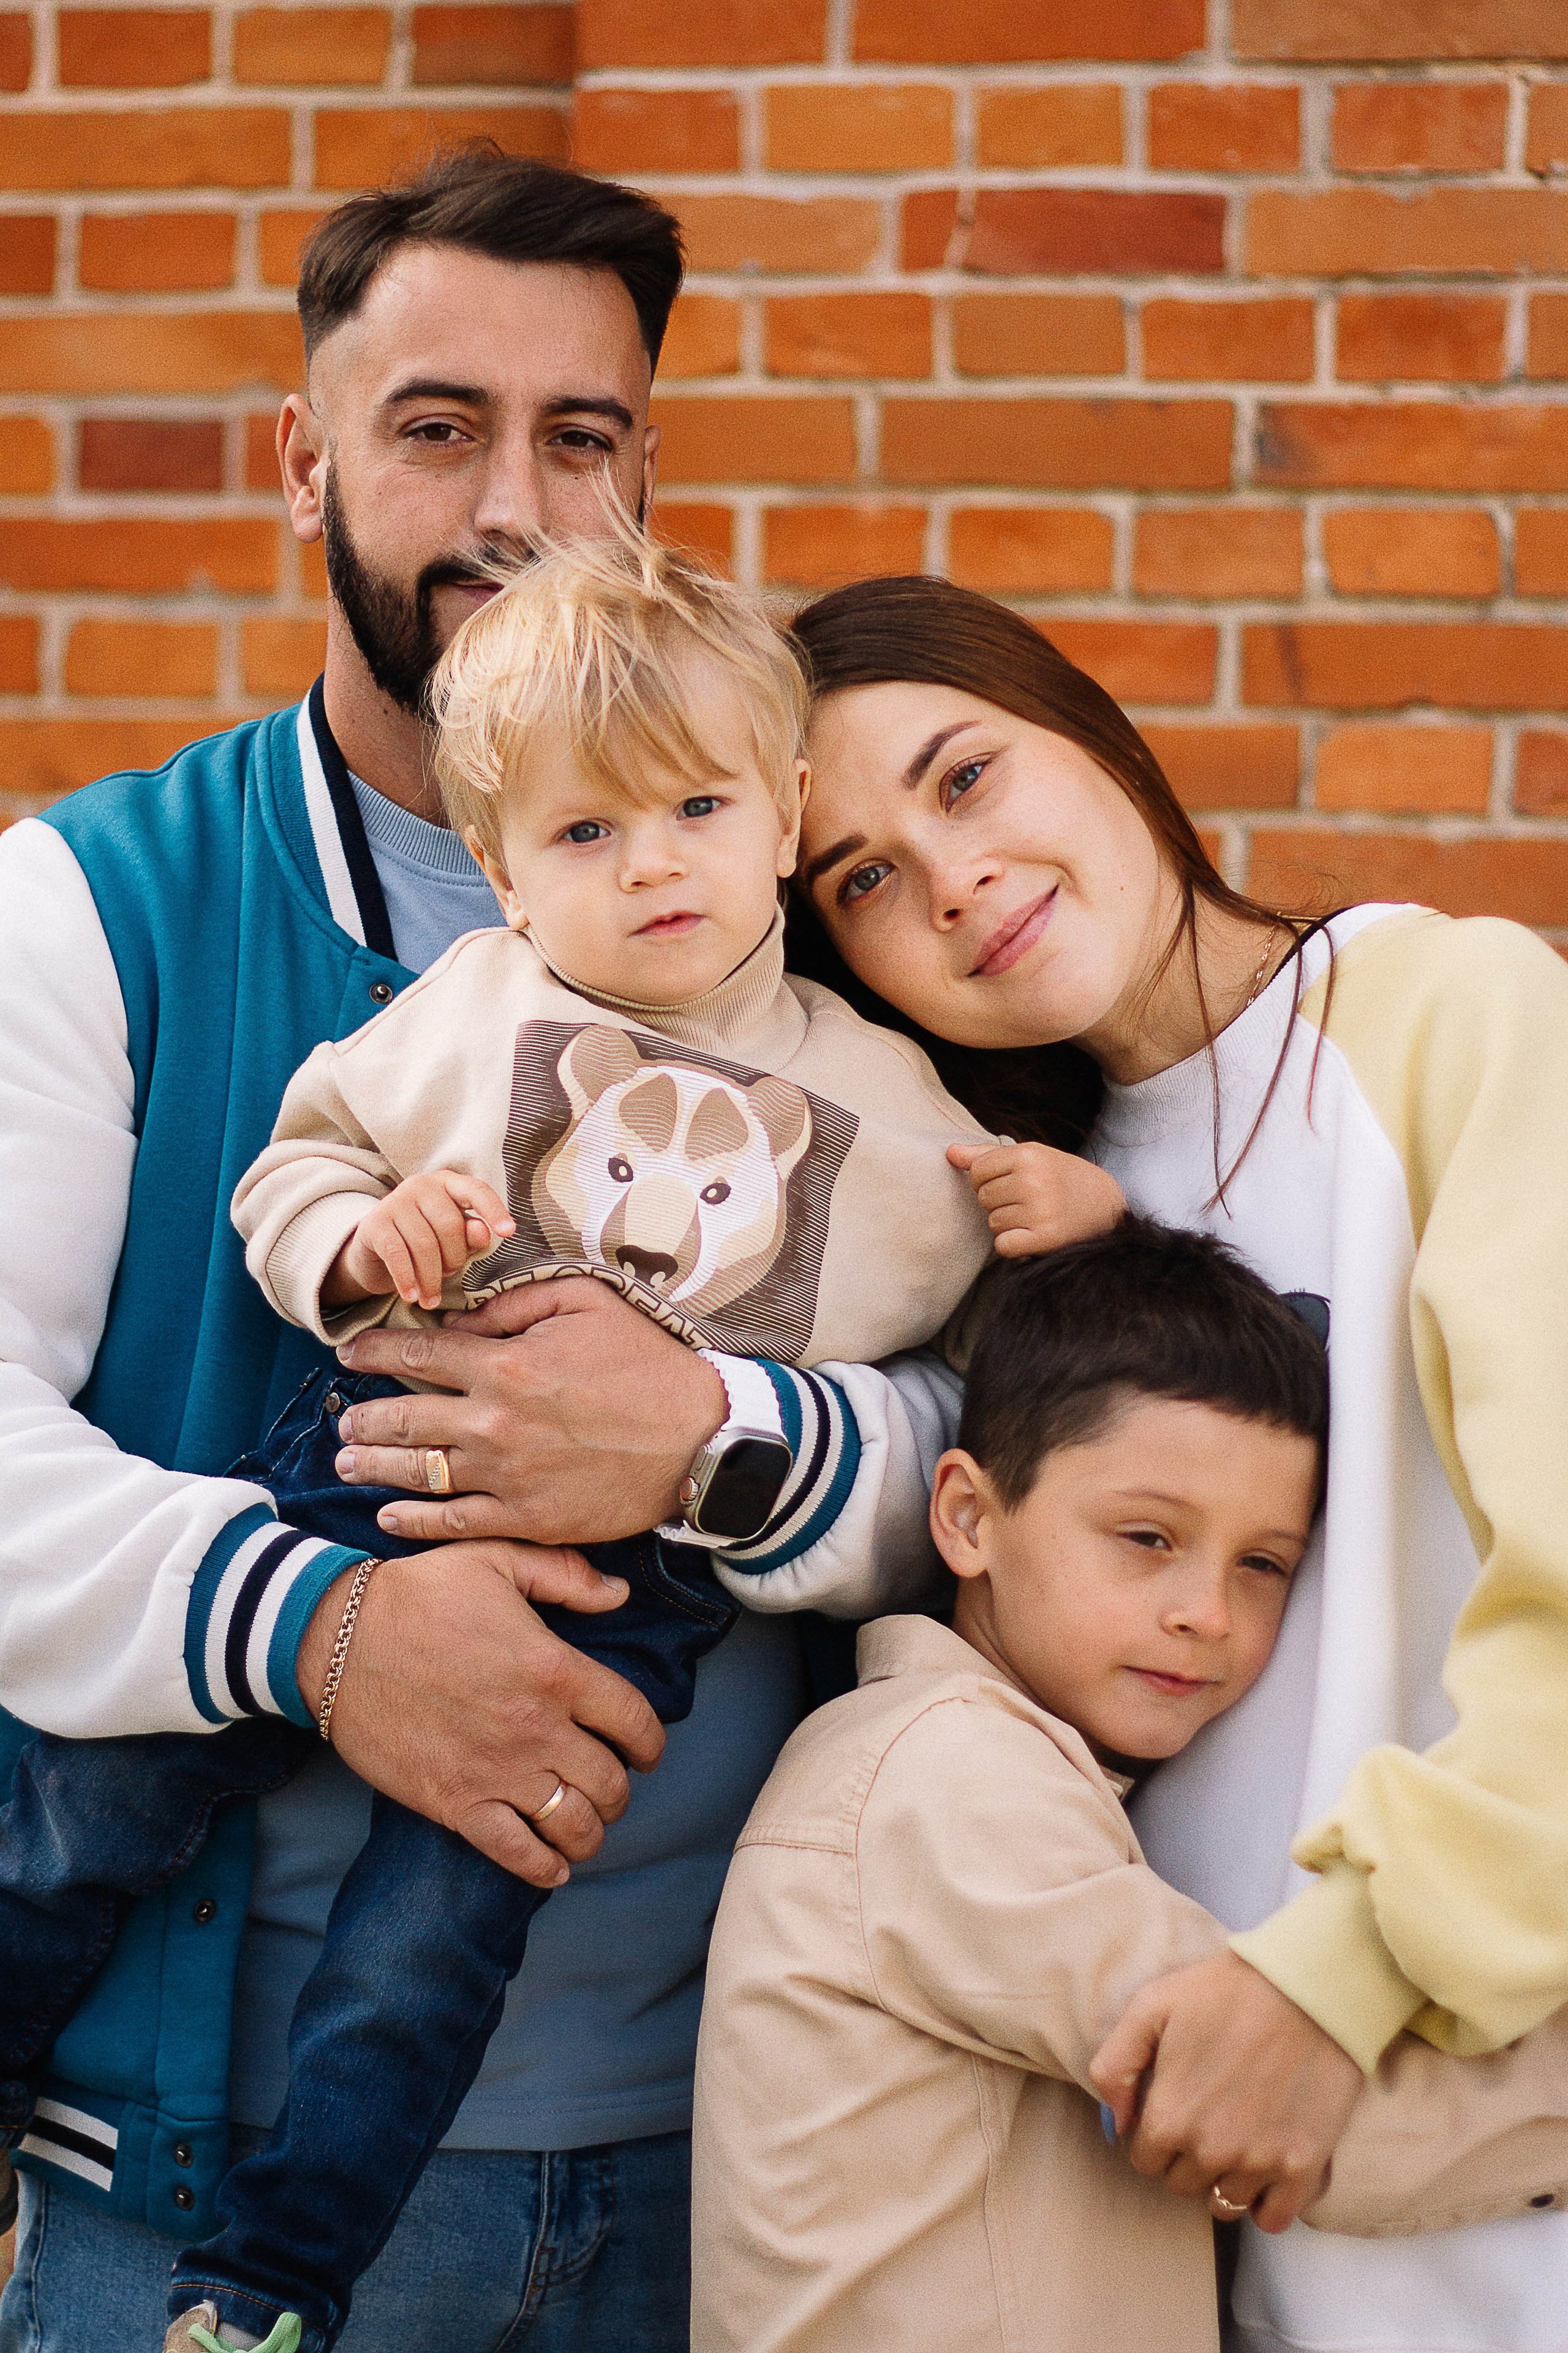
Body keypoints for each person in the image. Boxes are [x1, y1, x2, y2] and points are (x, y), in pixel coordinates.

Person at [2, 532, 1117, 2353]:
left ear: (784, 818)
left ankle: (271, 2285)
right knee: (100, 1795)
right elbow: (298, 1171)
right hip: (363, 1470)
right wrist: (360, 1249)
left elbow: (995, 1374)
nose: (653, 860)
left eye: (695, 806)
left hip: (626, 1593)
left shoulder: (893, 1101)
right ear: (508, 881)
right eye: (585, 835)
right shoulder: (465, 1018)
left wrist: (1064, 1223)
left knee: (425, 1949)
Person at [0, 149, 889, 2353]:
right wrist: (325, 1630)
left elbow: (1013, 1404)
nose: (512, 497)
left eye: (579, 435)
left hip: (736, 2169)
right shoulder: (91, 906)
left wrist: (725, 1438)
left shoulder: (808, 910)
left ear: (647, 474)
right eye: (435, 426)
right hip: (185, 2194)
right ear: (303, 457)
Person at [752, 572, 1568, 2353]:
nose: (950, 878)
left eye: (964, 779)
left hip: (1496, 2192)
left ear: (1086, 729)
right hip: (1192, 2233)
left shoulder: (1451, 1018)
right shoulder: (1009, 1224)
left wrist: (1330, 1981)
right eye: (864, 880)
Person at [692, 1225, 1568, 2353]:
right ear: (967, 1517)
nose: (1207, 1609)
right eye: (1147, 1536)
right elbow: (1254, 2101)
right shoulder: (950, 1779)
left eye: (1263, 1564)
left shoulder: (961, 1755)